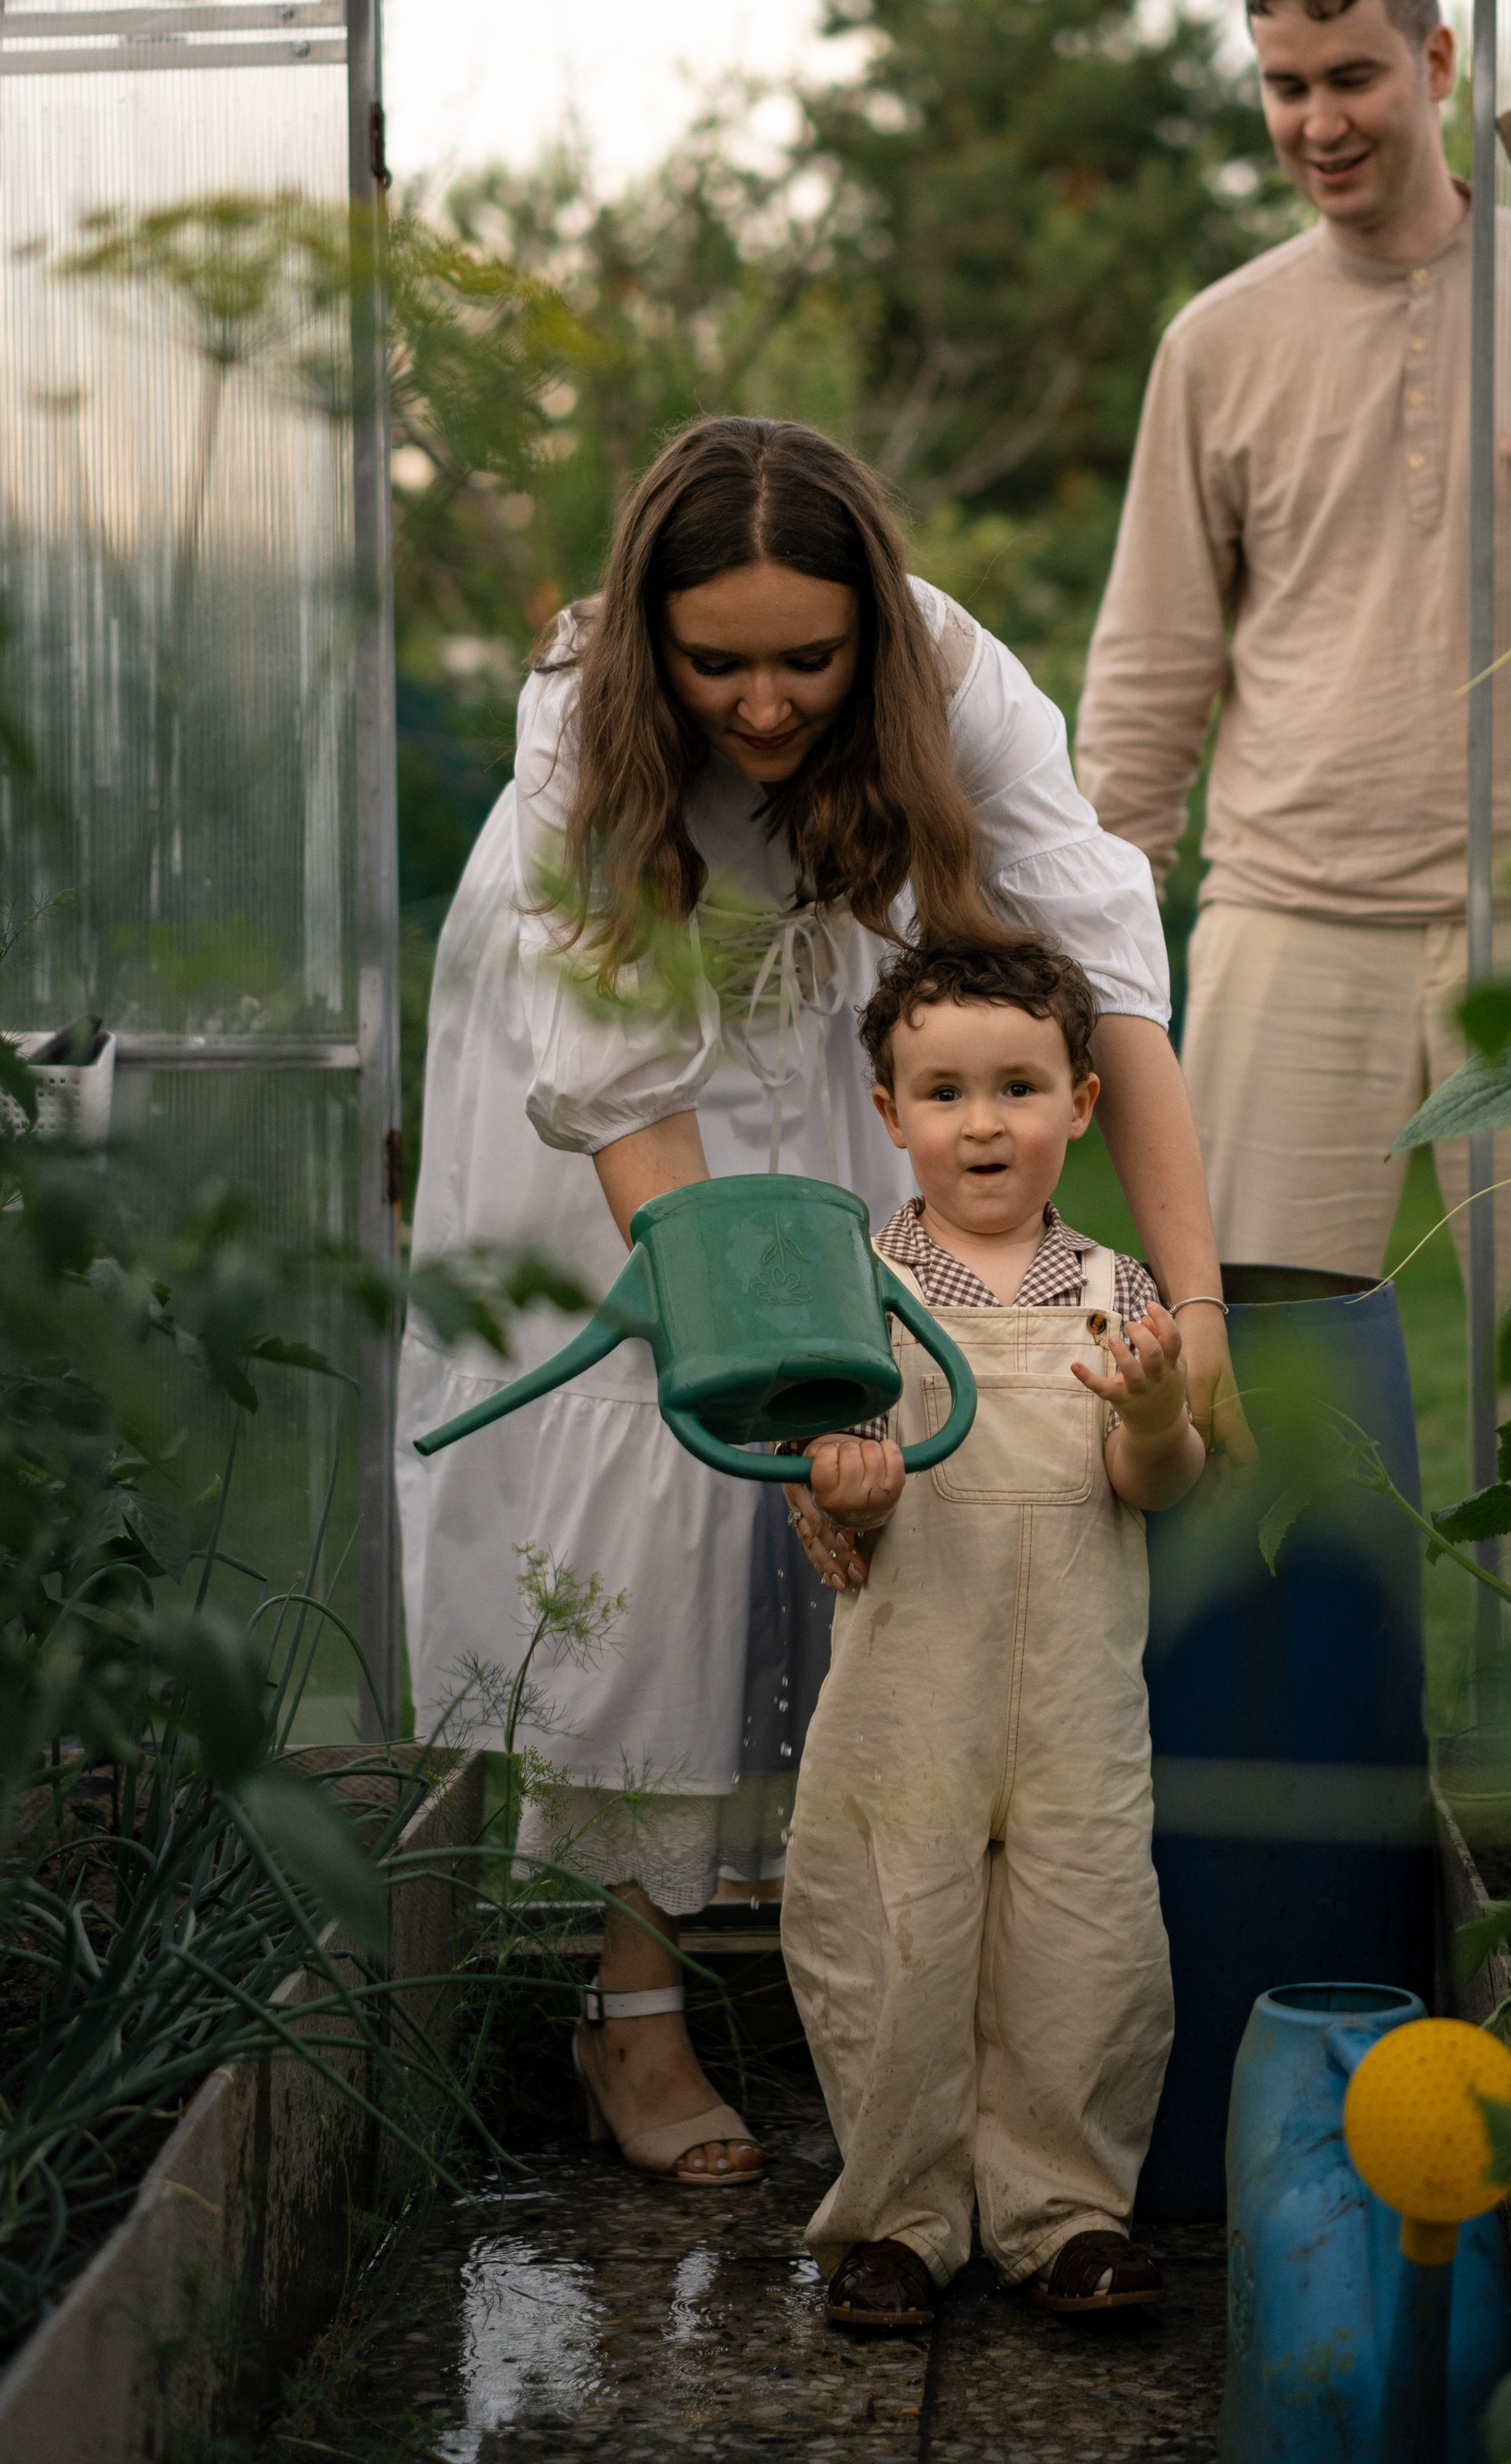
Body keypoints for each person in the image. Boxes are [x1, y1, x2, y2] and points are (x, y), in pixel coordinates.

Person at [396, 416, 1234, 2191]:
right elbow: (617, 1075)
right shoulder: (578, 719)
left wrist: (1199, 1300)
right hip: (614, 1080)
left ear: (872, 630)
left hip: (829, 1039)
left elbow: (1104, 979)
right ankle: (629, 2006)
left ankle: (848, 1949)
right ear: (652, 639)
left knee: (881, 1466)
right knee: (664, 1501)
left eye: (808, 660)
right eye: (717, 665)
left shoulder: (952, 679)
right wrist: (744, 1364)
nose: (765, 705)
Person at [1075, 0, 1511, 1310]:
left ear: (1437, 62)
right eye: (1286, 86)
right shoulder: (1216, 341)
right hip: (1288, 919)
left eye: (1353, 77)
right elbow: (1151, 666)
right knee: (1259, 1357)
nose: (1318, 122)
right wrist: (1092, 944)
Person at [777, 935, 1203, 2331]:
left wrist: (1156, 1415)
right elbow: (830, 1496)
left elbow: (1153, 1486)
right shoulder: (859, 1287)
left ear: (1082, 1102)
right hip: (914, 1698)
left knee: (1089, 1946)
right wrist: (845, 1481)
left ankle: (1065, 2213)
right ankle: (899, 2217)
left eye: (1018, 1088)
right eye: (944, 1093)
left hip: (1077, 1699)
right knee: (893, 1939)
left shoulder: (1118, 1289)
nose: (982, 1125)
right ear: (889, 1111)